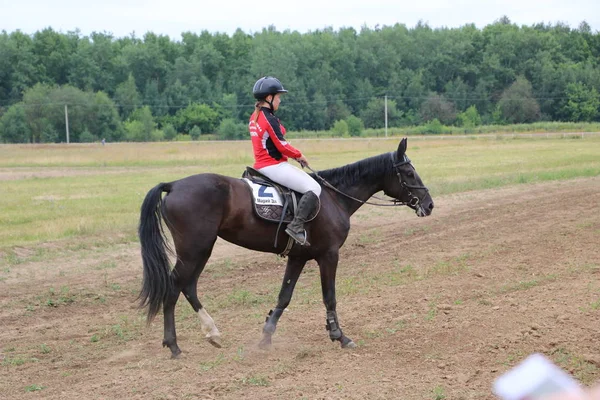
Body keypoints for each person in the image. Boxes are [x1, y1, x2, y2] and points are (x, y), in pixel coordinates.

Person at [248, 76, 321, 246]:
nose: (280, 100)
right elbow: (281, 145)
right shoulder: (269, 119)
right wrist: (299, 155)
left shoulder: (255, 116)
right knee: (314, 188)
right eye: (278, 97)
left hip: (259, 165)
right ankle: (296, 227)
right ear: (269, 98)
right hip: (273, 165)